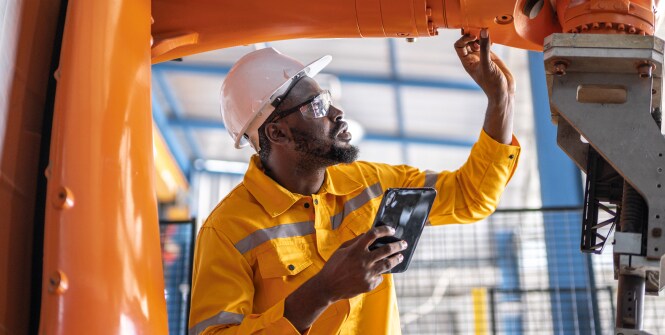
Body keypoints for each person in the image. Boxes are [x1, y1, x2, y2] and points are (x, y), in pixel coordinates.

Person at [189, 28, 520, 335]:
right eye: (316, 106)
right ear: (277, 132)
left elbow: (470, 196)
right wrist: (322, 291)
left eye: (328, 98)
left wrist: (500, 100)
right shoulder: (228, 230)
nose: (337, 112)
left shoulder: (372, 183)